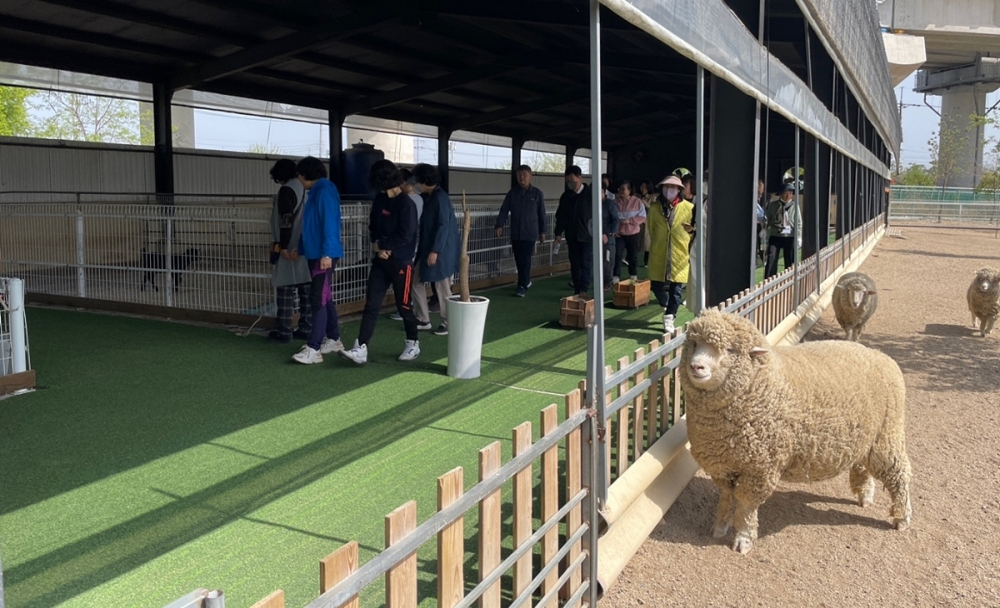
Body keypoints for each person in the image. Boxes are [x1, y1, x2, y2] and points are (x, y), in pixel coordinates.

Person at [340, 160, 420, 365]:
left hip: (401, 262)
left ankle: (413, 342)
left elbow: (406, 235)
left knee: (404, 305)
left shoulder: (406, 204)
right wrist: (377, 245)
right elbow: (373, 226)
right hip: (380, 262)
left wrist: (384, 245)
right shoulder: (380, 199)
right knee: (371, 305)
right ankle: (361, 347)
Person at [291, 156, 344, 364]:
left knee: (318, 298)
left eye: (299, 174)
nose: (298, 178)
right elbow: (311, 224)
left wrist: (327, 254)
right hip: (317, 253)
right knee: (325, 296)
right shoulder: (316, 191)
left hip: (323, 255)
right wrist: (302, 247)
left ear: (305, 174)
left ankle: (314, 348)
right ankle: (333, 338)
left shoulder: (324, 192)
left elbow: (330, 224)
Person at [412, 163, 460, 335]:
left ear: (424, 181)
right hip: (429, 247)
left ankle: (448, 322)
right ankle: (423, 318)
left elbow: (443, 225)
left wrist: (436, 250)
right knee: (416, 280)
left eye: (417, 180)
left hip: (441, 250)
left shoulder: (440, 197)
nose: (415, 184)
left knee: (442, 285)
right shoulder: (430, 196)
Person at [268, 158, 312, 344]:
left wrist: (283, 246)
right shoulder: (305, 188)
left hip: (289, 245)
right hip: (305, 245)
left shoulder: (287, 190)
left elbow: (286, 219)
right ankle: (307, 328)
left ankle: (284, 331)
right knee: (306, 290)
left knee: (285, 290)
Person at [647, 175, 694, 334]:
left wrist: (689, 233)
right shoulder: (655, 208)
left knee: (676, 289)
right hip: (659, 251)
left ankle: (670, 317)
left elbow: (693, 230)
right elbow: (651, 229)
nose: (669, 190)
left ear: (679, 190)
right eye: (666, 187)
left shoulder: (689, 208)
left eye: (673, 187)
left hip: (680, 253)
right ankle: (666, 304)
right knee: (656, 285)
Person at [495, 164, 547, 297]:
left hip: (530, 232)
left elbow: (542, 213)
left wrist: (543, 231)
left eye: (524, 175)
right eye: (519, 175)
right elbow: (504, 210)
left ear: (530, 177)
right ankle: (526, 280)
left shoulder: (537, 194)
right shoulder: (512, 193)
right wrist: (499, 225)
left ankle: (522, 285)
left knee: (526, 259)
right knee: (518, 259)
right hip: (516, 232)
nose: (522, 177)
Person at [388, 168, 430, 329]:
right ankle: (407, 307)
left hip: (406, 245)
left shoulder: (409, 200)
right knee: (408, 279)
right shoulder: (418, 199)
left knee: (406, 279)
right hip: (411, 244)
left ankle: (406, 308)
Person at [554, 166, 592, 294]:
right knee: (574, 264)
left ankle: (583, 289)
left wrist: (602, 232)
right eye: (567, 180)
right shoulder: (566, 196)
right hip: (572, 236)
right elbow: (560, 216)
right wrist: (558, 233)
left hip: (587, 236)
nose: (569, 182)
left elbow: (599, 215)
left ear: (580, 178)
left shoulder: (590, 195)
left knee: (585, 263)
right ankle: (577, 289)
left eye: (572, 179)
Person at [764, 182, 803, 279]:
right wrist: (764, 230)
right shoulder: (773, 205)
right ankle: (769, 280)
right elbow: (768, 219)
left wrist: (798, 236)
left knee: (790, 260)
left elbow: (798, 222)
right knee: (771, 258)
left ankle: (790, 279)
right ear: (781, 194)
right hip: (775, 235)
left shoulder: (795, 206)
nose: (788, 195)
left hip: (790, 236)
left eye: (790, 193)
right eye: (786, 193)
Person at [612, 180, 646, 283]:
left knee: (633, 255)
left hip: (633, 233)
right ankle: (616, 275)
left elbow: (642, 216)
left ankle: (633, 274)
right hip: (620, 234)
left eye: (623, 189)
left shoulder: (637, 202)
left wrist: (630, 221)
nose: (621, 191)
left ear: (629, 190)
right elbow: (612, 216)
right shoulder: (615, 202)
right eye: (620, 189)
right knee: (617, 254)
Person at [638, 179, 657, 266]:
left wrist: (645, 203)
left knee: (647, 243)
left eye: (645, 187)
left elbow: (654, 210)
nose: (643, 189)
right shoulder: (637, 196)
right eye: (642, 187)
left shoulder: (652, 197)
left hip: (647, 222)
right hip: (637, 222)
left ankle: (646, 260)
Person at [755, 180, 768, 266]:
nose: (762, 191)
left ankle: (763, 259)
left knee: (761, 244)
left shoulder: (762, 198)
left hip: (760, 225)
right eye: (762, 188)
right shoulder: (754, 198)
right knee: (756, 244)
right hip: (755, 225)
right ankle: (756, 261)